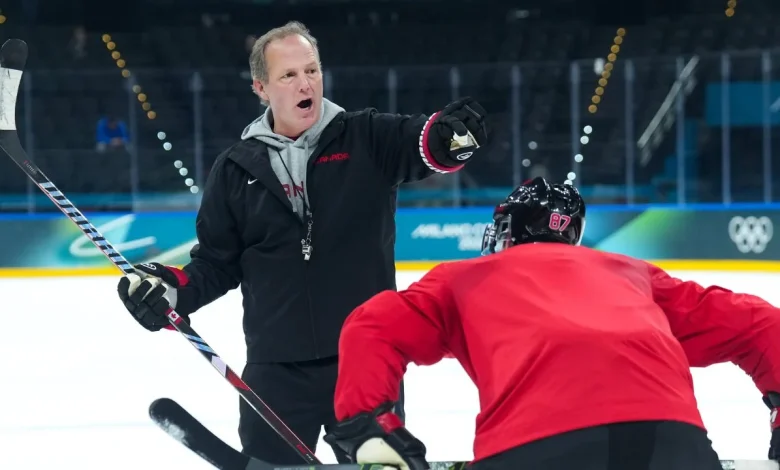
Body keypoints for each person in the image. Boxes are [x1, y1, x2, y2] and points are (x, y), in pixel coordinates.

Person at [115, 20, 489, 465]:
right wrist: (171, 290)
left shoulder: (366, 137)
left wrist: (450, 137)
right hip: (275, 370)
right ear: (261, 87)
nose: (304, 83)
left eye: (311, 70)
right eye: (288, 75)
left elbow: (423, 143)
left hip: (364, 359)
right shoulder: (235, 169)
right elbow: (216, 262)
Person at [323, 176, 780, 470]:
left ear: (505, 232)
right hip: (674, 444)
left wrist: (368, 427)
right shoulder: (631, 273)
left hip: (536, 446)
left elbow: (373, 326)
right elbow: (760, 323)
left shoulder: (465, 277)